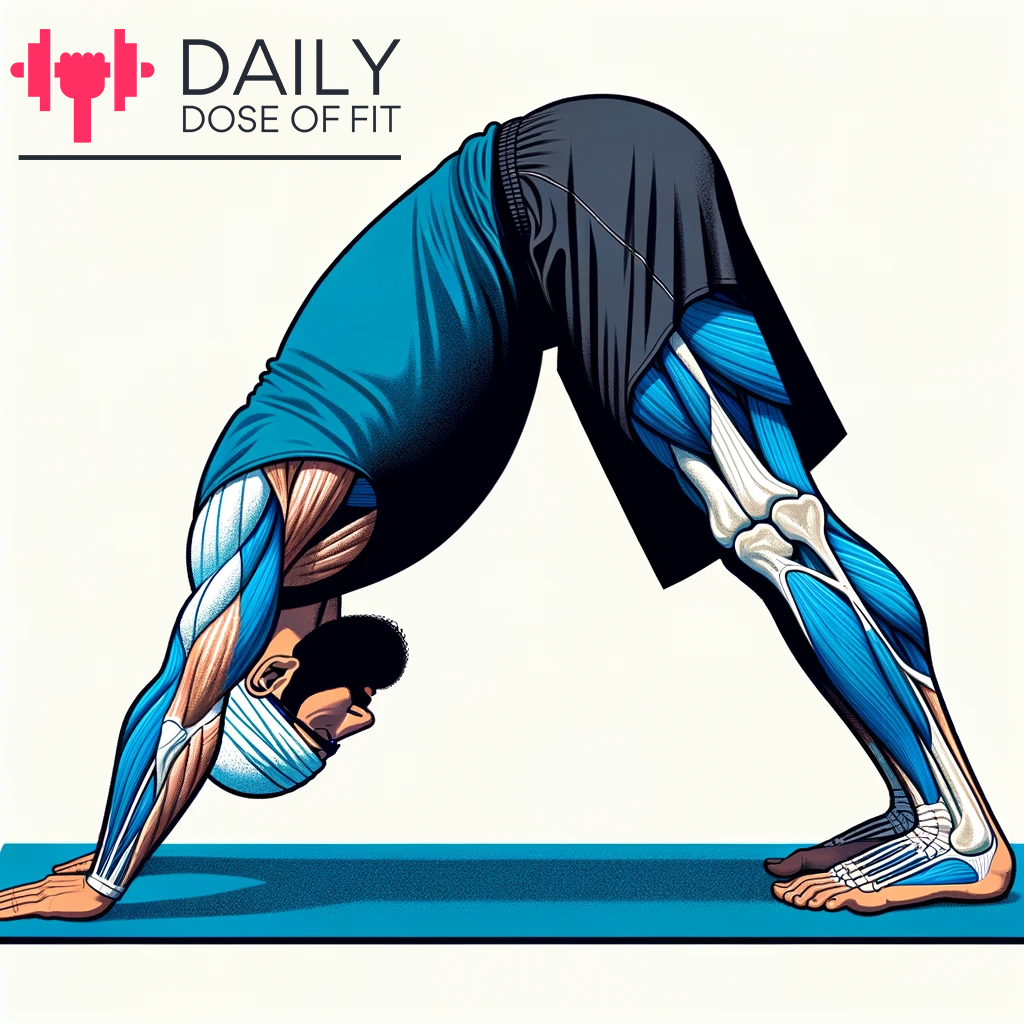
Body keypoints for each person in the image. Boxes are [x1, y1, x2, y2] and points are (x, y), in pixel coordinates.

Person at [0, 95, 1012, 921]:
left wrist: (108, 869)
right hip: (566, 241)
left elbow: (184, 693)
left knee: (773, 525)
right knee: (761, 522)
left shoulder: (255, 511)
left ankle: (959, 833)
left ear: (264, 673)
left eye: (322, 725)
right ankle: (915, 802)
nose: (357, 714)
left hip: (569, 189)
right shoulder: (331, 553)